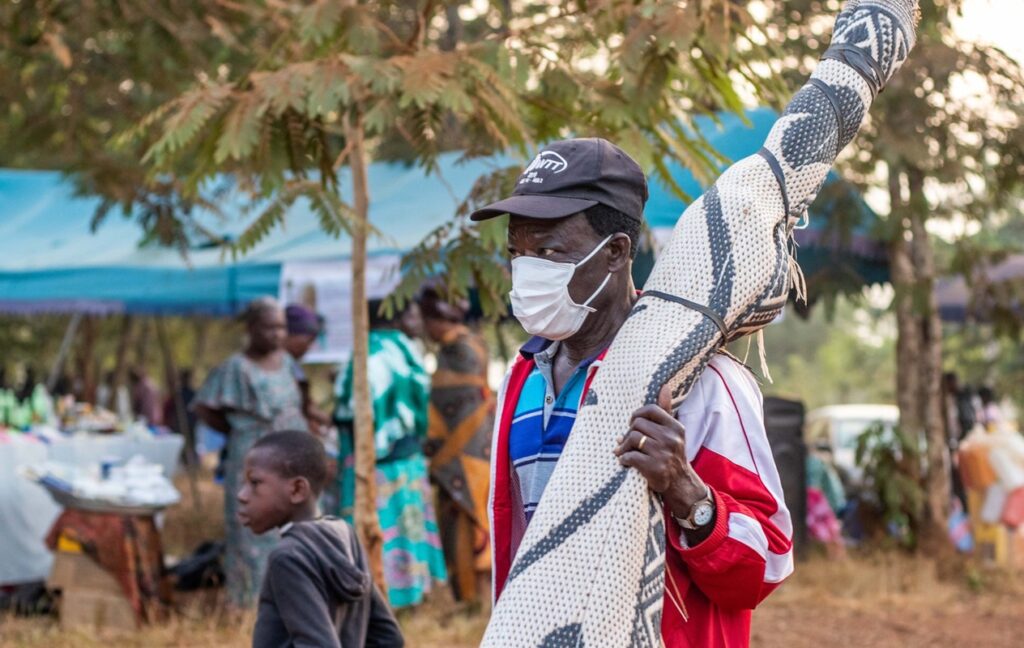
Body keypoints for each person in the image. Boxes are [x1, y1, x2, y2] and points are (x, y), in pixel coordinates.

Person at [469, 138, 793, 645]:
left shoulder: (700, 380)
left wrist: (686, 491)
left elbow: (767, 562)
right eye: (517, 252)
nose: (527, 268)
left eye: (549, 251)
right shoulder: (522, 378)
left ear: (616, 252)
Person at [192, 297, 308, 608]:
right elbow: (204, 407)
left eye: (281, 327)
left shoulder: (287, 362)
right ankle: (252, 602)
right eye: (269, 327)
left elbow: (302, 400)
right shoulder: (236, 367)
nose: (277, 334)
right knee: (253, 529)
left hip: (292, 456)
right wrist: (240, 430)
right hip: (255, 457)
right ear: (251, 328)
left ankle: (295, 598)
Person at [332, 300, 447, 609]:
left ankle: (379, 595)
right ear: (394, 318)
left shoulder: (364, 353)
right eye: (411, 314)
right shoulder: (405, 351)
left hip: (373, 461)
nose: (417, 321)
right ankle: (409, 593)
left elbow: (346, 409)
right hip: (406, 460)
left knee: (379, 528)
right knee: (407, 525)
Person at [239, 431, 404, 648]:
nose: (241, 495)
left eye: (255, 483)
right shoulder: (344, 534)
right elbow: (389, 637)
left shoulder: (287, 557)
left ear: (297, 489)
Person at [418, 287, 494, 604]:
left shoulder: (456, 350)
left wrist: (436, 449)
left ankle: (473, 599)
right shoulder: (475, 342)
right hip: (480, 448)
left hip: (463, 453)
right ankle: (476, 600)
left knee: (466, 521)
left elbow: (449, 404)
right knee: (477, 518)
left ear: (437, 319)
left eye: (426, 321)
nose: (424, 329)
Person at [284, 304, 332, 434]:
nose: (309, 347)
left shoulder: (292, 365)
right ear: (289, 334)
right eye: (309, 340)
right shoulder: (281, 366)